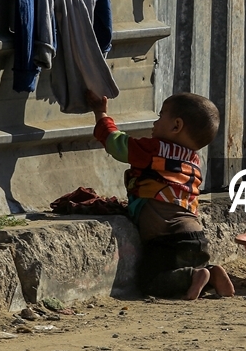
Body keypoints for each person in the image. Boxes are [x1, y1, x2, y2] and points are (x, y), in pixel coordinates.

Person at [86, 90, 235, 300]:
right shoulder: (193, 161)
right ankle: (210, 273)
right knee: (187, 269)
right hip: (195, 235)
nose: (155, 122)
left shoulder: (154, 150)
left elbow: (117, 144)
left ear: (176, 126)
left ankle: (194, 277)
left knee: (151, 281)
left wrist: (101, 114)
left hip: (167, 238)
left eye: (160, 116)